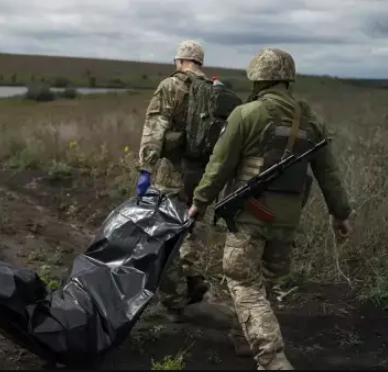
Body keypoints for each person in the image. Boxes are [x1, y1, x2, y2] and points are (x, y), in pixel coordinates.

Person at [188, 48, 353, 370]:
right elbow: (328, 174)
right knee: (261, 281)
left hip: (251, 214)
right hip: (287, 218)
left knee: (242, 281)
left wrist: (199, 202)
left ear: (257, 77)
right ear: (287, 78)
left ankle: (273, 359)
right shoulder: (311, 121)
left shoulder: (247, 113)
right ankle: (244, 339)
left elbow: (219, 165)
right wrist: (340, 214)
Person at [136, 40, 241, 322]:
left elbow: (155, 126)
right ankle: (193, 277)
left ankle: (173, 302)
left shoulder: (170, 86)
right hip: (204, 175)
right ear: (200, 63)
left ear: (180, 60)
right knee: (189, 229)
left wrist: (146, 168)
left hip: (172, 174)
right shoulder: (215, 90)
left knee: (165, 235)